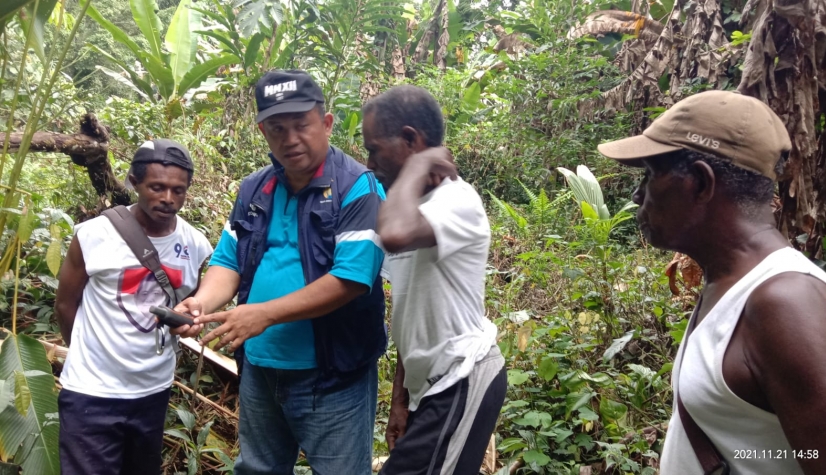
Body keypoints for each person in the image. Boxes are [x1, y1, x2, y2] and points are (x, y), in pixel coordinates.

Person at [598, 90, 826, 474]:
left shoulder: (787, 302)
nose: (637, 193)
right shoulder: (729, 283)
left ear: (699, 183)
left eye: (651, 174)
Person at [177, 70, 386, 475]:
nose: (290, 138)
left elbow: (351, 280)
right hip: (260, 370)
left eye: (301, 125)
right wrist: (199, 304)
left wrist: (263, 314)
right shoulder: (254, 189)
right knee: (258, 469)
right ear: (263, 132)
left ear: (326, 123)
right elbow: (228, 262)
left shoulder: (358, 187)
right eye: (277, 128)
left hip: (332, 376)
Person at [362, 85, 507, 475]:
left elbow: (393, 233)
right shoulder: (412, 208)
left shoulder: (456, 200)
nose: (370, 163)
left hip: (462, 377)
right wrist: (401, 401)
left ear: (411, 140)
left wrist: (418, 164)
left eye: (374, 149)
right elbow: (410, 312)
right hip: (431, 389)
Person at [56, 139, 212, 475]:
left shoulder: (196, 245)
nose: (168, 198)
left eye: (178, 190)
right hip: (91, 392)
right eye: (157, 187)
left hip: (153, 391)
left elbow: (189, 306)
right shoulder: (94, 235)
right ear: (134, 182)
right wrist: (85, 354)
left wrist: (188, 322)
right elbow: (66, 304)